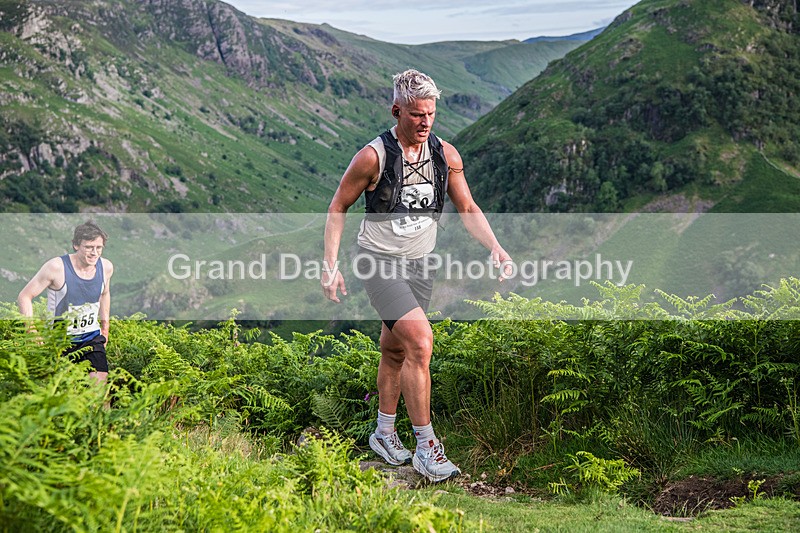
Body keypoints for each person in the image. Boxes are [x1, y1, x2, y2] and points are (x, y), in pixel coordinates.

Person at [322, 69, 512, 482]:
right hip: (379, 263)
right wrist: (330, 264)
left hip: (421, 264)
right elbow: (338, 206)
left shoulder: (446, 154)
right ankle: (427, 446)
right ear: (396, 111)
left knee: (396, 350)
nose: (425, 122)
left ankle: (384, 433)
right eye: (415, 115)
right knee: (422, 342)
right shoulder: (373, 157)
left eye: (430, 114)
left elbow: (468, 208)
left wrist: (494, 246)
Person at [18, 220, 114, 383]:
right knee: (63, 392)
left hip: (91, 337)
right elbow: (24, 296)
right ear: (76, 245)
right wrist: (32, 330)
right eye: (89, 247)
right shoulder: (56, 267)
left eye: (99, 248)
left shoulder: (106, 267)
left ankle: (101, 409)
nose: (94, 253)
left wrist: (105, 328)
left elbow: (105, 294)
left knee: (100, 387)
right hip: (59, 340)